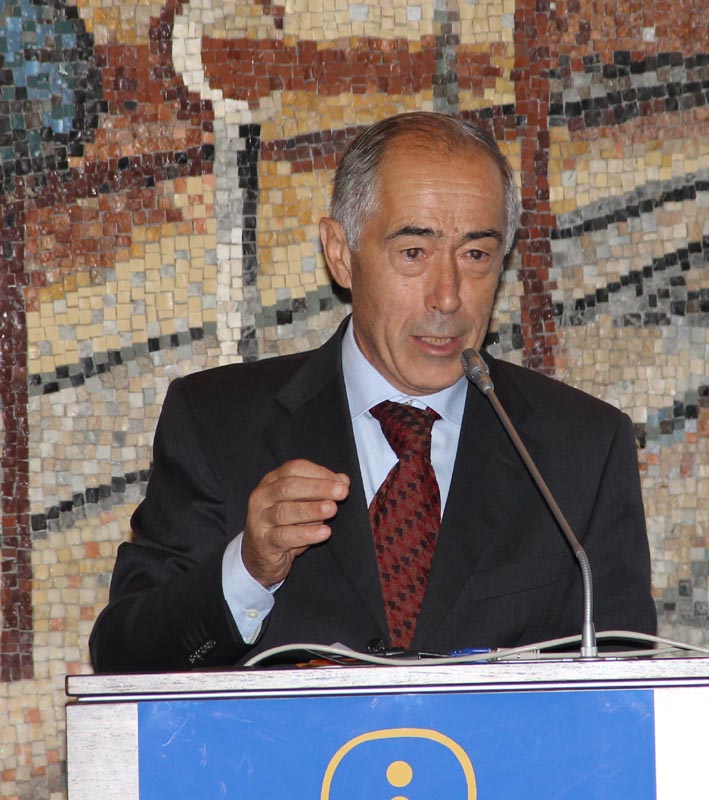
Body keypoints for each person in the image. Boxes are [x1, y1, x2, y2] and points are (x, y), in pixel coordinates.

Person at [90, 112, 657, 672]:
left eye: (476, 255)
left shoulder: (580, 448)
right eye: (413, 253)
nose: (447, 296)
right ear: (341, 253)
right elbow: (124, 659)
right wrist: (250, 568)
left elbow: (627, 687)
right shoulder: (216, 423)